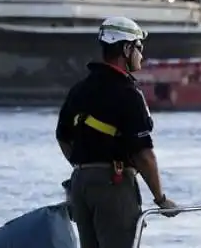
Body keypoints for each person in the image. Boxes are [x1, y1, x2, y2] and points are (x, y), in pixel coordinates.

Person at [56, 16, 179, 248]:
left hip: (80, 185)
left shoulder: (79, 89)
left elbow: (62, 137)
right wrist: (161, 199)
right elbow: (143, 154)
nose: (141, 55)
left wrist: (85, 167)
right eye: (139, 48)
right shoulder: (128, 93)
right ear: (126, 48)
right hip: (114, 185)